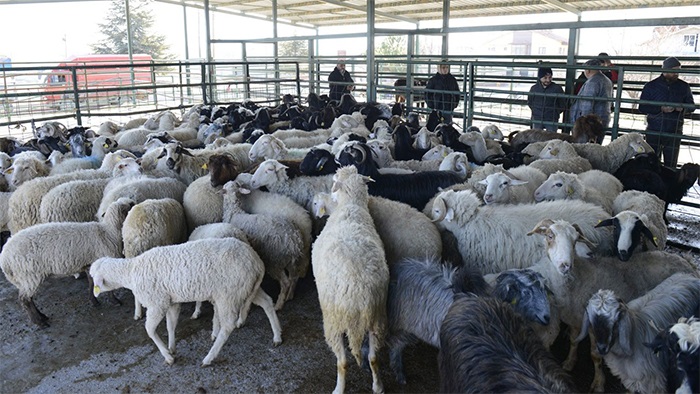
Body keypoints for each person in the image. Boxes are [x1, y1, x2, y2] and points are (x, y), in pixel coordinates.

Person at [638, 57, 696, 168]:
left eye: (678, 70)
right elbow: (642, 107)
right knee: (651, 163)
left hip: (674, 131)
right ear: (665, 70)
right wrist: (660, 109)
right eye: (674, 70)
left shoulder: (684, 87)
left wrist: (683, 108)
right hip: (654, 129)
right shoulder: (651, 86)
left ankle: (668, 184)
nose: (677, 73)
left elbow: (691, 106)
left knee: (671, 164)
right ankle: (652, 184)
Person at [570, 58, 613, 141]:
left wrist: (583, 122)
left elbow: (587, 104)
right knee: (596, 145)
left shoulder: (592, 82)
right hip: (602, 118)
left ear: (588, 70)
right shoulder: (607, 80)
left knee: (585, 146)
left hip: (591, 123)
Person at [527, 66, 566, 132]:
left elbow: (562, 104)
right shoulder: (534, 89)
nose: (548, 80)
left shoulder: (557, 88)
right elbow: (530, 102)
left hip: (551, 118)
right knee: (536, 138)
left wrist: (555, 113)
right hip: (538, 117)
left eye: (550, 77)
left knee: (550, 139)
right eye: (545, 78)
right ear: (540, 77)